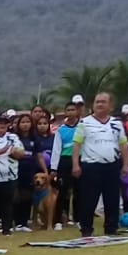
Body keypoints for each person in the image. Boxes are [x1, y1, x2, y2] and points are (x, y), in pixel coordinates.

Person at [71, 92, 128, 238]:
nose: (100, 104)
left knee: (112, 199)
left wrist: (125, 165)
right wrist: (75, 165)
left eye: (103, 102)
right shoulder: (84, 123)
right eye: (97, 102)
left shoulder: (117, 124)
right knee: (88, 200)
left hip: (112, 166)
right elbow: (77, 144)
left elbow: (123, 145)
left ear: (110, 105)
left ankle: (111, 228)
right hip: (91, 167)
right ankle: (86, 229)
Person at [49, 97, 83, 227]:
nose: (71, 112)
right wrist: (54, 168)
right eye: (68, 110)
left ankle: (78, 218)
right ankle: (58, 220)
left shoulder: (82, 127)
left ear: (77, 111)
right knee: (62, 191)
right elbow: (56, 149)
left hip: (79, 160)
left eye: (73, 110)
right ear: (65, 112)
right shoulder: (61, 130)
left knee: (79, 191)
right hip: (65, 161)